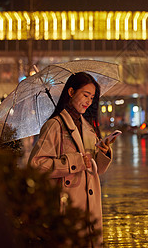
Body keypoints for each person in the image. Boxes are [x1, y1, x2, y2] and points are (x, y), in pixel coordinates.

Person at [28, 72, 115, 247]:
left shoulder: (89, 128)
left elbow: (95, 168)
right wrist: (74, 162)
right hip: (67, 207)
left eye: (92, 97)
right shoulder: (55, 125)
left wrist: (103, 154)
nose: (89, 101)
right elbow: (36, 165)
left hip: (90, 207)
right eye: (85, 95)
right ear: (71, 92)